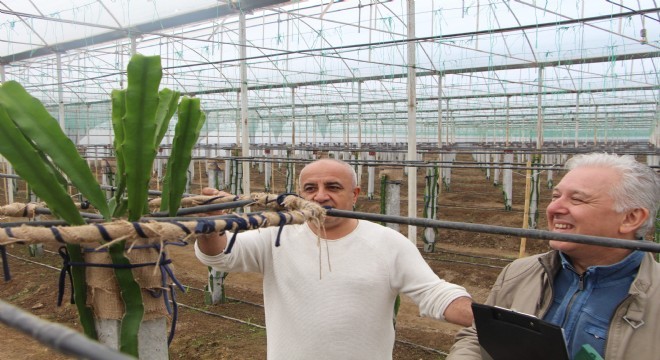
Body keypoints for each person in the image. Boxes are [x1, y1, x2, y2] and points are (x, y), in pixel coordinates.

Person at [195, 158, 473, 359]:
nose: (321, 196)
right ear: (299, 195)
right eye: (310, 188)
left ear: (354, 195)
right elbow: (222, 255)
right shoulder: (277, 236)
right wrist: (209, 227)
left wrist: (484, 317)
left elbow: (433, 292)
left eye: (333, 187)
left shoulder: (387, 243)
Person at [448, 153, 660, 360]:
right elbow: (479, 336)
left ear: (631, 218)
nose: (553, 208)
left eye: (577, 199)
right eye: (556, 196)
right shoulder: (520, 273)